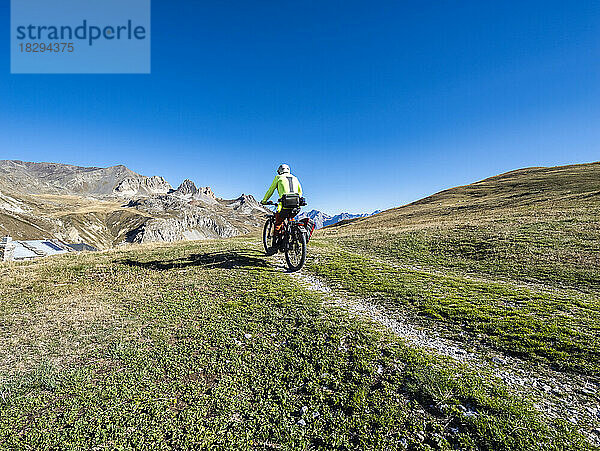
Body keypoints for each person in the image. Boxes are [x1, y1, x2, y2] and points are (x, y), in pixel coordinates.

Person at [261, 164, 303, 240]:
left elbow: (270, 191)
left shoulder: (278, 178)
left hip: (284, 205)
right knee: (291, 218)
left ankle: (275, 245)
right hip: (296, 206)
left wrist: (264, 201)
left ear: (280, 171)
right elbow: (300, 192)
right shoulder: (295, 178)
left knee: (278, 222)